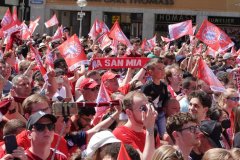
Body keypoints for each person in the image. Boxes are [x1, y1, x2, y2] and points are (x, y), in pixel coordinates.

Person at [113, 91, 158, 160]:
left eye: (149, 106)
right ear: (129, 113)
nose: (149, 111)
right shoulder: (120, 133)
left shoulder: (149, 132)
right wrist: (150, 128)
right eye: (143, 108)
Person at [142, 58, 169, 137]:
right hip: (150, 116)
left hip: (160, 115)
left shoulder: (164, 86)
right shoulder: (147, 87)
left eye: (163, 68)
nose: (163, 71)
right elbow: (143, 101)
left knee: (165, 135)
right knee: (154, 135)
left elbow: (165, 100)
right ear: (151, 72)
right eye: (159, 69)